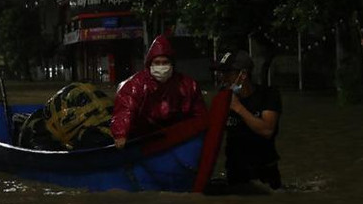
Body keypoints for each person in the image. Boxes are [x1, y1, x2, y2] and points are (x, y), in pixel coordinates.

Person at [111, 35, 207, 149]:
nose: (161, 67)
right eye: (157, 62)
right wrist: (121, 134)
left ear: (172, 64)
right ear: (150, 64)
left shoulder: (188, 85)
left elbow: (199, 113)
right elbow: (125, 109)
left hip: (177, 137)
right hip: (143, 138)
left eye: (165, 62)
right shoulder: (135, 85)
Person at [215, 50, 283, 190]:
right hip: (235, 172)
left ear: (243, 75)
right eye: (221, 73)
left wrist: (238, 107)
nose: (223, 78)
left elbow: (267, 130)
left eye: (227, 74)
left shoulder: (268, 95)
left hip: (264, 172)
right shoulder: (223, 98)